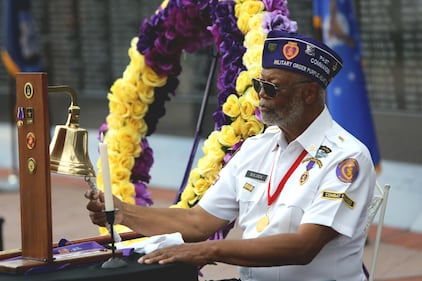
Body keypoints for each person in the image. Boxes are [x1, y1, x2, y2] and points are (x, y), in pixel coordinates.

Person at [86, 30, 376, 281]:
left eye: (271, 88)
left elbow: (303, 247)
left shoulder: (346, 158)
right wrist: (123, 211)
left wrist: (208, 250)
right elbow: (198, 222)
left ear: (310, 94)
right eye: (258, 85)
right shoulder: (256, 148)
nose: (260, 95)